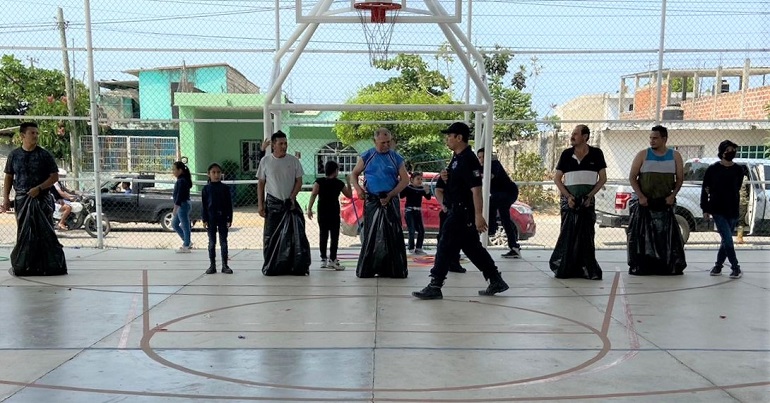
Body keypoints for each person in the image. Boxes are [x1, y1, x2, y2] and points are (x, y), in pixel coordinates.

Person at [412, 122, 509, 300]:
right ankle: (495, 279)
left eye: (450, 135)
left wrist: (478, 215)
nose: (447, 139)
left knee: (444, 245)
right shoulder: (457, 158)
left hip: (462, 212)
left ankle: (435, 285)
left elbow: (476, 189)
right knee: (473, 248)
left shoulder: (468, 159)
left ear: (459, 138)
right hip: (456, 210)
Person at [2, 122, 67, 276]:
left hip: (41, 200)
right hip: (22, 200)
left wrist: (39, 188)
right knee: (25, 232)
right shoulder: (14, 155)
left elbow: (54, 177)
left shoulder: (44, 155)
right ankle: (25, 265)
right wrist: (6, 198)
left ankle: (50, 266)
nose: (35, 136)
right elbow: (9, 177)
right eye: (32, 133)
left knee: (44, 232)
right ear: (22, 135)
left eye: (37, 133)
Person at [350, 128, 410, 278]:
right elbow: (354, 174)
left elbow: (405, 180)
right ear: (375, 141)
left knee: (393, 234)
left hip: (390, 200)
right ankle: (369, 267)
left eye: (388, 142)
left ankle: (394, 268)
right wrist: (358, 189)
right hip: (372, 200)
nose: (386, 145)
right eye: (383, 142)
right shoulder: (367, 156)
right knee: (371, 234)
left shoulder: (395, 158)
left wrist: (391, 195)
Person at [627, 125, 687, 276]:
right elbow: (632, 177)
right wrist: (640, 196)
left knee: (665, 238)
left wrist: (672, 196)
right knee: (642, 238)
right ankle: (643, 265)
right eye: (650, 138)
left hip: (664, 204)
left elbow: (679, 179)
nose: (652, 141)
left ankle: (666, 265)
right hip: (645, 204)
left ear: (664, 139)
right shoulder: (642, 155)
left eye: (655, 138)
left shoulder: (675, 156)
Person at [550, 124, 606, 280]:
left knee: (586, 236)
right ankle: (566, 267)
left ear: (585, 136)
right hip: (570, 202)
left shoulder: (596, 154)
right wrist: (568, 197)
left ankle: (587, 268)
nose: (572, 136)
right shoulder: (567, 154)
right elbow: (557, 178)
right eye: (572, 134)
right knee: (568, 235)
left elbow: (602, 178)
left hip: (587, 202)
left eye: (575, 134)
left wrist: (589, 196)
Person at [257, 130, 310, 276]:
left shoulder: (293, 161)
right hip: (273, 205)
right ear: (273, 145)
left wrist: (292, 197)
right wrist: (260, 204)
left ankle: (296, 266)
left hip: (290, 204)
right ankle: (273, 266)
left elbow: (299, 181)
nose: (284, 146)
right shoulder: (266, 161)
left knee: (296, 236)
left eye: (285, 143)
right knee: (272, 237)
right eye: (281, 143)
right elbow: (261, 183)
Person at [701, 140, 744, 279]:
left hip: (732, 209)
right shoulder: (713, 169)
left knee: (725, 241)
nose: (731, 152)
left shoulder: (738, 170)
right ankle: (735, 267)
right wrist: (705, 209)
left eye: (733, 149)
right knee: (727, 238)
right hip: (717, 209)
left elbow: (737, 187)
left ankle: (718, 266)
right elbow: (705, 190)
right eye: (728, 150)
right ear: (722, 152)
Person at [307, 160, 352, 271]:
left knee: (323, 234)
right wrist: (349, 182)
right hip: (333, 212)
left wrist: (309, 208)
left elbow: (313, 194)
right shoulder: (339, 183)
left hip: (322, 211)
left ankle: (323, 259)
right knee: (334, 236)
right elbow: (349, 195)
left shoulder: (319, 182)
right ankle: (332, 259)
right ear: (335, 171)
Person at [477, 148, 521, 258]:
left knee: (491, 202)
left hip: (509, 192)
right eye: (479, 157)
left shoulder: (494, 164)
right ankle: (514, 247)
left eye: (483, 157)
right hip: (500, 195)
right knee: (505, 219)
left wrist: (477, 174)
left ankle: (492, 228)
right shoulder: (479, 168)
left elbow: (490, 176)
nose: (481, 159)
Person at [202, 162, 233, 275]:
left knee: (223, 241)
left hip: (223, 217)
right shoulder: (206, 189)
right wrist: (204, 219)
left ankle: (225, 265)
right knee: (211, 242)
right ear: (208, 174)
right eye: (213, 172)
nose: (216, 175)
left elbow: (229, 204)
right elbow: (204, 205)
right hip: (211, 218)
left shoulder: (225, 188)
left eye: (218, 172)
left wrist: (229, 218)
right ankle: (212, 265)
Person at [434, 175, 467, 274]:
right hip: (449, 210)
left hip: (460, 210)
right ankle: (440, 265)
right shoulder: (447, 173)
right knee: (444, 238)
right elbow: (438, 190)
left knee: (456, 238)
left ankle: (452, 263)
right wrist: (443, 205)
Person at [400, 171, 431, 255]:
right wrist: (402, 186)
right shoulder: (408, 188)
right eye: (418, 179)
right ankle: (411, 248)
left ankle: (419, 248)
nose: (420, 181)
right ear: (412, 180)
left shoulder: (421, 188)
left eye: (421, 179)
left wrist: (427, 191)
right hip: (409, 211)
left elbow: (428, 198)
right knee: (412, 229)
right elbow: (401, 195)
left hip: (418, 211)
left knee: (421, 230)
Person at [171, 160, 193, 253]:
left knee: (185, 225)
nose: (173, 171)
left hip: (182, 205)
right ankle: (187, 241)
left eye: (174, 169)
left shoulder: (181, 181)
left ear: (180, 170)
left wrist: (176, 207)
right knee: (175, 224)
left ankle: (186, 245)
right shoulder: (182, 180)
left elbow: (180, 195)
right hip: (183, 204)